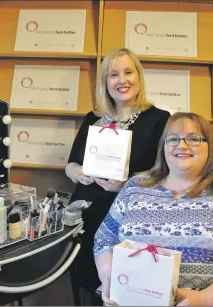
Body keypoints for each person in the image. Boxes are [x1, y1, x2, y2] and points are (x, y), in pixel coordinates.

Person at [94, 112, 213, 306]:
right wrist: (109, 278)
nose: (181, 145)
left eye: (193, 139)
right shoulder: (135, 186)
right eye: (173, 139)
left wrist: (206, 299)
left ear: (210, 146)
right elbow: (105, 239)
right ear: (163, 146)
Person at [65, 48, 170, 304]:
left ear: (138, 76)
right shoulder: (93, 118)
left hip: (127, 219)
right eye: (113, 75)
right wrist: (79, 173)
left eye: (128, 72)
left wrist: (127, 185)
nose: (121, 80)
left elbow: (165, 175)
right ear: (105, 81)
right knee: (87, 286)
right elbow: (69, 165)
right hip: (85, 217)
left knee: (121, 291)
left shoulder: (159, 119)